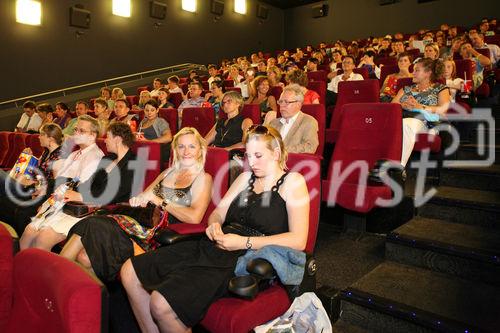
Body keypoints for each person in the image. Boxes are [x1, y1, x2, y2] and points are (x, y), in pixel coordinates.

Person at [120, 124, 309, 332]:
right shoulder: (246, 178)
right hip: (216, 242)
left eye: (258, 155)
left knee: (161, 303)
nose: (252, 162)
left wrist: (244, 242)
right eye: (248, 156)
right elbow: (217, 213)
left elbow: (299, 240)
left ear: (276, 153)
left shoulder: (293, 182)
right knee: (129, 271)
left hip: (247, 256)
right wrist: (214, 226)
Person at [61, 127, 213, 283]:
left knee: (91, 225)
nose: (186, 151)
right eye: (181, 146)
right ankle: (86, 296)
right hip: (139, 226)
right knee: (84, 257)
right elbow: (145, 196)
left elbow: (195, 217)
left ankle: (56, 277)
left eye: (191, 146)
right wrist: (139, 199)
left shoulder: (203, 178)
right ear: (175, 150)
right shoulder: (167, 173)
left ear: (200, 150)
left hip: (157, 237)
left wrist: (162, 201)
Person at [19, 122, 137, 251]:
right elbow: (89, 183)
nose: (105, 141)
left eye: (108, 137)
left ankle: (35, 269)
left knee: (43, 237)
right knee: (29, 231)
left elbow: (117, 193)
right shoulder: (108, 159)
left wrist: (80, 195)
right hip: (80, 204)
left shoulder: (133, 162)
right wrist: (68, 191)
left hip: (96, 210)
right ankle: (21, 267)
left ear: (118, 139)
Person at [392, 58, 451, 167]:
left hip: (427, 123)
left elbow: (443, 110)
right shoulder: (405, 89)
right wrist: (403, 105)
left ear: (428, 73)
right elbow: (391, 107)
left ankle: (398, 168)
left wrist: (420, 106)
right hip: (402, 120)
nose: (412, 73)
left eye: (417, 70)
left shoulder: (440, 88)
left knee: (407, 124)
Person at [269, 84, 319, 154]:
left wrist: (282, 150)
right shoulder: (273, 123)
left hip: (294, 163)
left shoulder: (309, 122)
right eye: (280, 102)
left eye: (286, 102)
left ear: (298, 104)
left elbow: (310, 147)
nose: (282, 105)